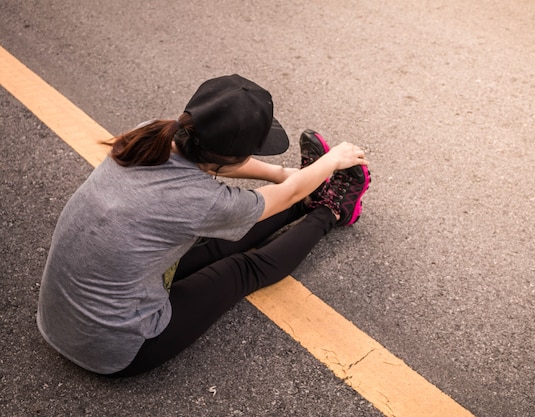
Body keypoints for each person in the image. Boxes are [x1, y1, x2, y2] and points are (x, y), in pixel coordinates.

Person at [37, 74, 371, 377]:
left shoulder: (153, 133)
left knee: (214, 239)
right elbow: (281, 197)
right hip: (115, 347)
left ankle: (311, 196)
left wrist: (285, 175)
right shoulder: (202, 201)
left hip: (62, 319)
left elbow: (243, 174)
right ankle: (331, 210)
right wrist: (330, 163)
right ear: (229, 158)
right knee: (240, 269)